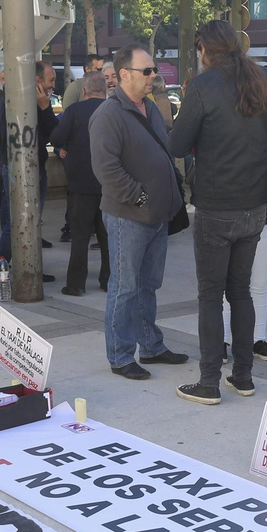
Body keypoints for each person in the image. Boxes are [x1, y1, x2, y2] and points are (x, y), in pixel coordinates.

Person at [168, 19, 267, 406]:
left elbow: (177, 144)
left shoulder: (204, 86)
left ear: (205, 49)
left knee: (211, 295)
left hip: (215, 204)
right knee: (241, 292)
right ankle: (243, 377)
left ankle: (208, 381)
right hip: (255, 204)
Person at [90, 43, 189, 381]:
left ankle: (151, 346)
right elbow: (106, 170)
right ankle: (120, 356)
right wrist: (141, 197)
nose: (153, 76)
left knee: (148, 285)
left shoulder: (149, 107)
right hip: (128, 216)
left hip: (156, 216)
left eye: (154, 70)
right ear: (123, 75)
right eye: (147, 71)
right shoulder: (108, 115)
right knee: (125, 287)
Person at [0, 61, 59, 269]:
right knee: (17, 221)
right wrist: (46, 110)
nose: (53, 85)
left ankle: (29, 267)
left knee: (25, 221)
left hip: (22, 166)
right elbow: (56, 134)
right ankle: (3, 267)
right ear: (38, 81)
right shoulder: (23, 102)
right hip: (21, 168)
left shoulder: (23, 99)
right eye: (51, 80)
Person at [224, 148, 267, 363]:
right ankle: (221, 339)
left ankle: (257, 339)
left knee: (260, 285)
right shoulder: (226, 131)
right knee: (226, 284)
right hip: (229, 218)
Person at [52, 71, 111, 296]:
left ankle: (76, 284)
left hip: (80, 184)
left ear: (84, 91)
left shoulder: (74, 111)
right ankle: (108, 279)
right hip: (109, 184)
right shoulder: (114, 109)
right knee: (107, 236)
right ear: (105, 90)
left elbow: (56, 139)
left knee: (80, 236)